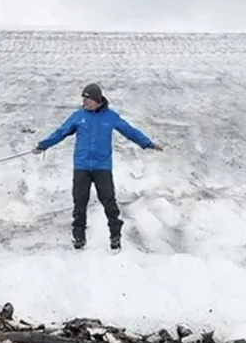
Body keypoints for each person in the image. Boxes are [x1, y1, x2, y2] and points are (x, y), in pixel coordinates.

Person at [34, 83, 163, 251]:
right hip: (82, 167)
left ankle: (115, 236)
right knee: (80, 203)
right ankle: (79, 238)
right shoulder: (78, 116)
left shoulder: (110, 117)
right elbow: (61, 132)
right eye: (83, 98)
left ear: (97, 100)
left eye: (87, 99)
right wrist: (43, 145)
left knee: (109, 201)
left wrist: (148, 143)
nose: (84, 102)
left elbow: (130, 131)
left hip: (102, 167)